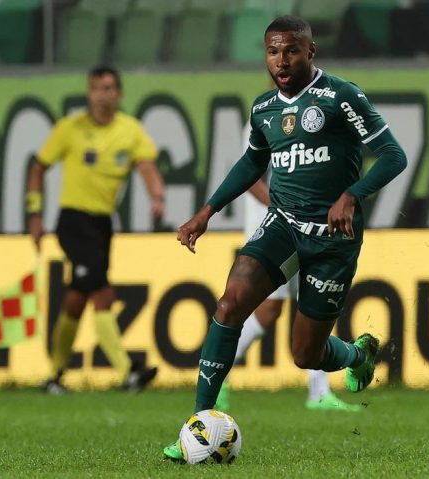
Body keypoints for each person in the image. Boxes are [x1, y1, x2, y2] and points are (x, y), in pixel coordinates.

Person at [163, 15, 407, 460]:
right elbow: (251, 163)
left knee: (304, 354)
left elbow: (394, 155)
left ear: (310, 52)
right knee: (230, 302)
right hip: (285, 225)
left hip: (334, 238)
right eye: (273, 51)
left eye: (291, 50)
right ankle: (196, 426)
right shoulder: (263, 109)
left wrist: (352, 195)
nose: (281, 60)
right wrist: (207, 211)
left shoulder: (340, 96)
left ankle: (356, 355)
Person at [27, 66, 163, 394]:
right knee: (102, 291)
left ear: (120, 93)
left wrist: (157, 196)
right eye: (98, 88)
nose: (105, 94)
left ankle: (54, 376)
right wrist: (34, 214)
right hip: (73, 221)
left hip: (102, 223)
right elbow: (38, 168)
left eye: (110, 88)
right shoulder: (69, 129)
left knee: (77, 297)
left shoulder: (130, 130)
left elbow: (146, 166)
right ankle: (127, 372)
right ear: (89, 93)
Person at [214, 177, 360, 413]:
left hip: (304, 224)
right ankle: (218, 373)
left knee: (314, 296)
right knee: (269, 310)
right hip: (274, 228)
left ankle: (319, 392)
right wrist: (287, 207)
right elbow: (250, 178)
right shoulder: (260, 137)